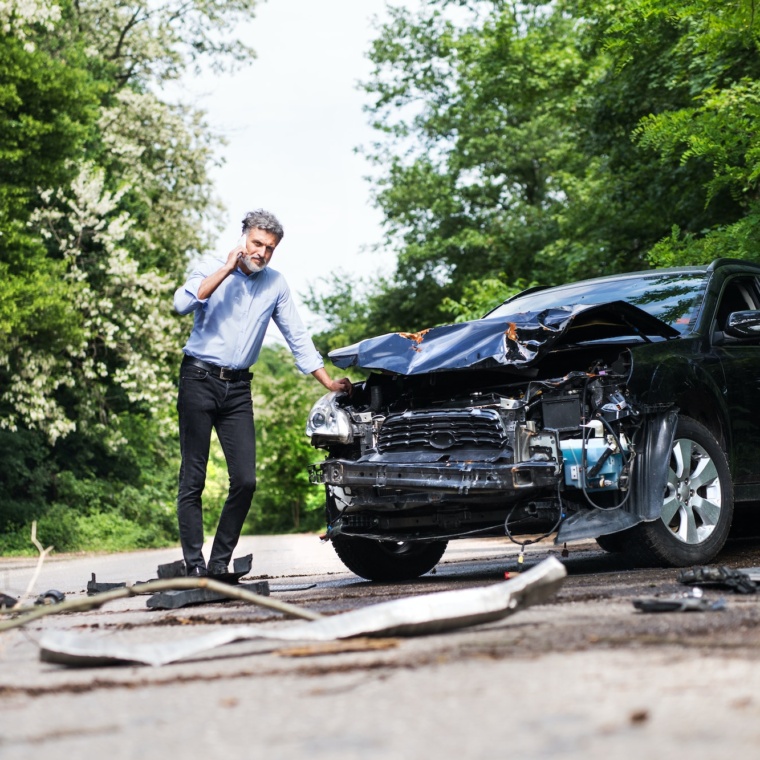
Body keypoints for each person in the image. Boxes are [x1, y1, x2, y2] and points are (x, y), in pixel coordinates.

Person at [173, 209, 351, 577]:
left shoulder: (275, 283)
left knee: (246, 481)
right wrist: (226, 268)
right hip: (199, 380)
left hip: (238, 389)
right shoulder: (209, 266)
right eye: (257, 244)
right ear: (243, 239)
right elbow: (183, 303)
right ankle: (194, 566)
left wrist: (327, 381)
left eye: (270, 249)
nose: (262, 254)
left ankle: (219, 564)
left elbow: (296, 335)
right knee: (194, 477)